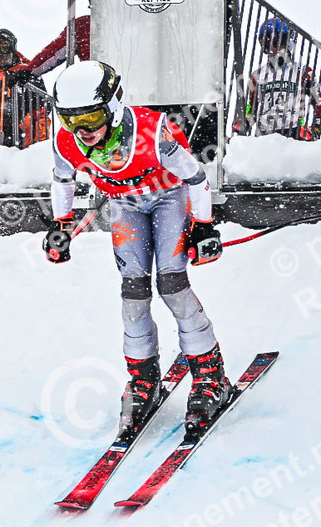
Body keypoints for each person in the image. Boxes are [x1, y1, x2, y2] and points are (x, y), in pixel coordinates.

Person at [43, 61, 228, 439]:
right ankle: (143, 379)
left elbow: (195, 178)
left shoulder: (151, 132)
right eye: (70, 120)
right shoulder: (67, 141)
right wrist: (60, 224)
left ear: (112, 107)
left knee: (172, 284)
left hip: (168, 198)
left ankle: (212, 378)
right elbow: (62, 180)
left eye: (91, 117)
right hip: (126, 205)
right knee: (133, 291)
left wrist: (203, 226)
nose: (82, 130)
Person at [243, 18, 321, 139]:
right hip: (265, 136)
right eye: (267, 45)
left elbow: (319, 104)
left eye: (276, 43)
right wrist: (243, 123)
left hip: (294, 134)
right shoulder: (257, 75)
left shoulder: (303, 72)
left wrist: (315, 128)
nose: (272, 49)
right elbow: (251, 108)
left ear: (287, 43)